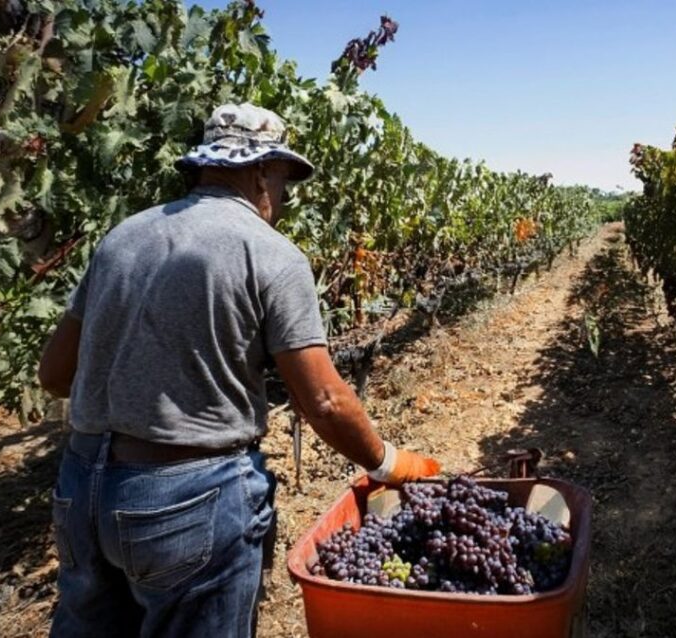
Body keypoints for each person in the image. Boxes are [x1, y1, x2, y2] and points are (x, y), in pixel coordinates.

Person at [37, 103, 441, 638]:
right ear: (258, 171)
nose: (283, 198)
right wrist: (389, 463)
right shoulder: (270, 255)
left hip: (81, 488)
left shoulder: (121, 239)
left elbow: (55, 373)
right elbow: (322, 400)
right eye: (282, 181)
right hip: (189, 498)